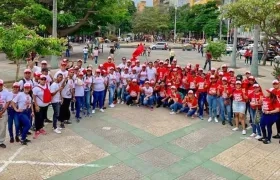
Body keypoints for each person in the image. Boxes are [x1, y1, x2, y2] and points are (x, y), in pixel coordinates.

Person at [32, 74, 51, 139]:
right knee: (38, 118)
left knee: (43, 117)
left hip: (45, 105)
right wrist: (36, 105)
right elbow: (34, 97)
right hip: (39, 106)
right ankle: (37, 129)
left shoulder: (47, 85)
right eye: (42, 79)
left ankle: (41, 128)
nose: (43, 80)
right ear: (39, 80)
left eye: (44, 79)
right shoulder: (36, 88)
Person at [0, 79, 12, 148]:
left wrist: (3, 110)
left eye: (1, 85)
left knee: (3, 127)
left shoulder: (6, 92)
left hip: (3, 112)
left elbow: (8, 102)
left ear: (2, 85)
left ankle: (1, 141)